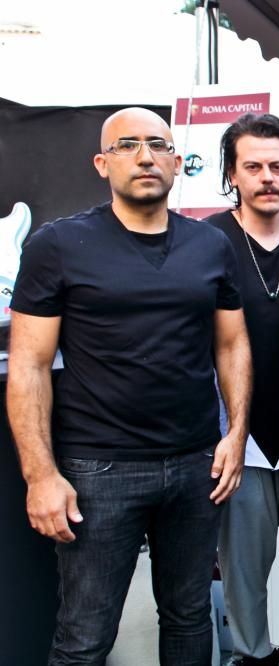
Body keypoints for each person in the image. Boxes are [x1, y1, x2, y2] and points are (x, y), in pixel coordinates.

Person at [7, 107, 251, 665]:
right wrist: (40, 476)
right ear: (102, 163)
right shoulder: (57, 245)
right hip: (99, 469)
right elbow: (29, 365)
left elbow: (232, 344)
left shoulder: (211, 245)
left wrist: (235, 435)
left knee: (190, 618)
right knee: (85, 637)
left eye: (158, 145)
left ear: (177, 162)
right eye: (127, 145)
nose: (145, 157)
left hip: (195, 466)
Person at [204, 113, 279, 666]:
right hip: (236, 441)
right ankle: (252, 657)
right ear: (232, 173)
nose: (267, 177)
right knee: (243, 571)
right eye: (252, 166)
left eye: (277, 166)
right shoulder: (205, 242)